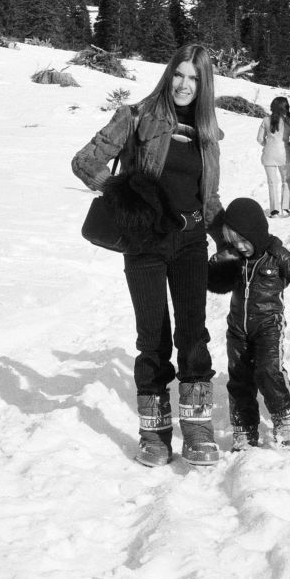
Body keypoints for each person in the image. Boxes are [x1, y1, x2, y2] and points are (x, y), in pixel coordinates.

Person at [71, 43, 225, 469]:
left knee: (193, 335)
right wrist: (123, 197)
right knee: (152, 338)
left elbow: (208, 197)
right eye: (179, 74)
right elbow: (85, 161)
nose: (183, 84)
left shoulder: (209, 134)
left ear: (204, 84)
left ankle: (196, 428)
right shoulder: (137, 116)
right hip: (145, 244)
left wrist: (229, 235)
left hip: (192, 241)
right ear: (168, 74)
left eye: (194, 78)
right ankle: (154, 433)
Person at [207, 197, 290, 450]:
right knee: (239, 378)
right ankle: (244, 428)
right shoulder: (233, 256)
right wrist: (213, 265)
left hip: (268, 326)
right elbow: (213, 282)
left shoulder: (277, 256)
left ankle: (284, 417)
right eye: (234, 241)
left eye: (244, 240)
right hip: (237, 328)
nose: (240, 247)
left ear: (256, 233)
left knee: (268, 371)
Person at [256, 96, 290, 217]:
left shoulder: (266, 120)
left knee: (272, 182)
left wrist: (266, 144)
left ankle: (274, 210)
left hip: (268, 154)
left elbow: (259, 139)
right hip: (283, 154)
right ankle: (286, 207)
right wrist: (289, 145)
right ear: (286, 107)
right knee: (286, 180)